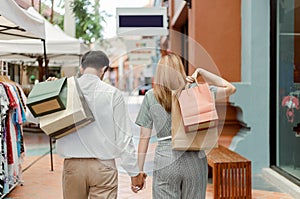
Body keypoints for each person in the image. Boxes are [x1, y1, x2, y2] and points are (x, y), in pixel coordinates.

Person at [27, 50, 146, 199]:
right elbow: (124, 139)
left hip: (73, 167)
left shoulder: (63, 89)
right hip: (104, 167)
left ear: (81, 68)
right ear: (103, 70)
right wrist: (134, 173)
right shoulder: (113, 94)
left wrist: (47, 89)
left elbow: (31, 117)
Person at [135, 52, 236, 198]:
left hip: (165, 159)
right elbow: (230, 88)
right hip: (194, 157)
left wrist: (139, 170)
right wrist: (201, 72)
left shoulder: (151, 96)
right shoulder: (196, 91)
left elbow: (144, 136)